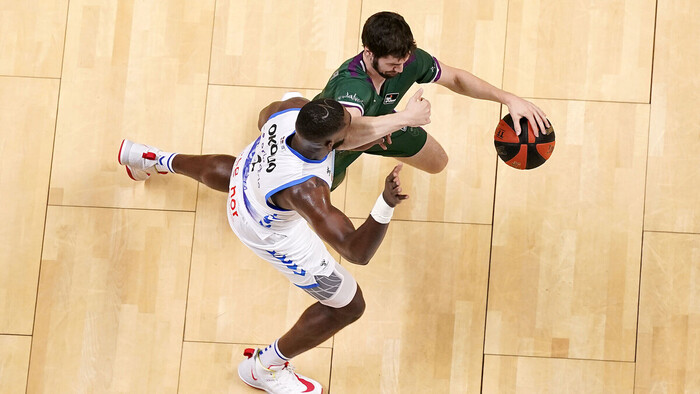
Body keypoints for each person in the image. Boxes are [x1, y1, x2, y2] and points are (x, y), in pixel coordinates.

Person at [118, 97, 408, 393]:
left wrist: (367, 140)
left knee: (236, 170)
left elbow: (263, 118)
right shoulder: (307, 190)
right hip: (266, 232)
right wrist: (386, 202)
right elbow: (356, 252)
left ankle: (151, 157)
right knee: (348, 305)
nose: (355, 130)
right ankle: (265, 368)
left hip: (245, 181)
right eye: (349, 131)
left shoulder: (290, 109)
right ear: (330, 144)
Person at [317, 11, 552, 190]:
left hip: (383, 120)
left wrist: (508, 98)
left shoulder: (407, 60)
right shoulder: (353, 86)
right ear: (368, 52)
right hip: (324, 154)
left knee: (437, 161)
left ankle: (381, 136)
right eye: (392, 65)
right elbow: (343, 138)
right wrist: (404, 118)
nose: (400, 70)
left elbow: (456, 79)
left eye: (403, 61)